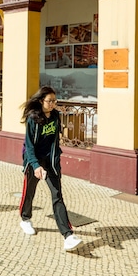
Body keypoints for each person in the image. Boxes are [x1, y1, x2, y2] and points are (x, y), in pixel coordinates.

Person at [18, 86, 83, 251]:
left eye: (55, 100)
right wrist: (35, 165)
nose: (53, 104)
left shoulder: (55, 115)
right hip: (34, 160)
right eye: (50, 101)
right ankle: (25, 219)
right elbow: (30, 145)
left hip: (51, 161)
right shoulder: (33, 118)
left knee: (57, 195)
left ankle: (68, 236)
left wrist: (55, 160)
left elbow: (55, 140)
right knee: (29, 191)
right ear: (41, 101)